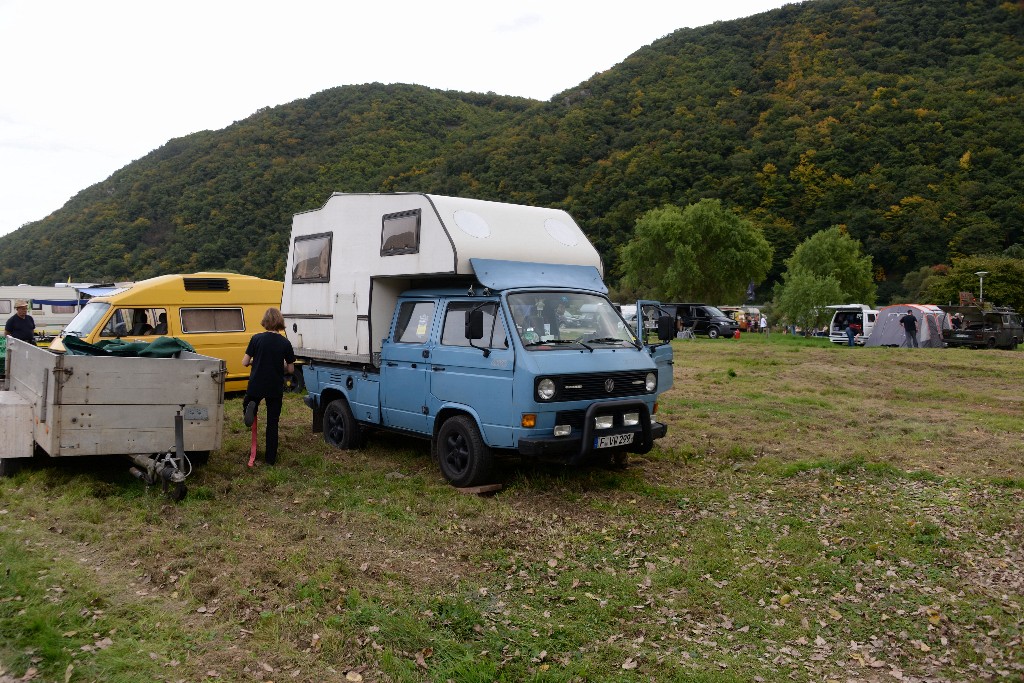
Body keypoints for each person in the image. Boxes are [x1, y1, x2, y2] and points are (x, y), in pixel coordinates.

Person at [242, 308, 296, 465]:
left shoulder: (256, 339)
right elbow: (291, 369)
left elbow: (245, 362)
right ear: (280, 322)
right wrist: (281, 364)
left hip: (256, 383)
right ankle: (270, 459)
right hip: (274, 385)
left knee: (249, 401)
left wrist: (257, 361)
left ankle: (249, 407)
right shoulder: (285, 343)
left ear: (265, 322)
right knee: (273, 423)